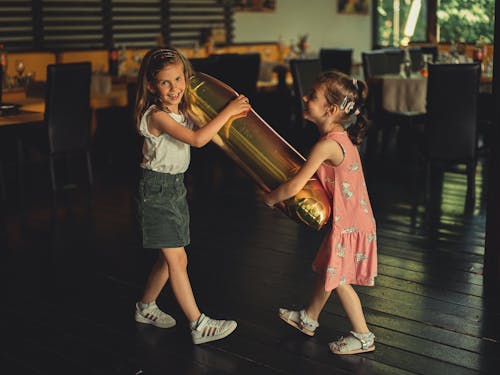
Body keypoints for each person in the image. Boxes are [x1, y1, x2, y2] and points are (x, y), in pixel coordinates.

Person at [133, 47, 251, 344]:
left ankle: (145, 307)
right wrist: (229, 111)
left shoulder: (179, 111)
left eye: (178, 79)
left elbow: (204, 129)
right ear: (150, 85)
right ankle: (198, 324)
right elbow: (199, 140)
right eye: (165, 83)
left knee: (167, 257)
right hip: (156, 191)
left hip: (174, 189)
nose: (174, 88)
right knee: (178, 260)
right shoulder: (157, 115)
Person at [264, 70, 377, 355]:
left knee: (338, 280)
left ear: (331, 109)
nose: (304, 97)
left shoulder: (327, 145)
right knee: (329, 270)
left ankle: (364, 335)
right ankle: (309, 318)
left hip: (349, 223)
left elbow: (295, 186)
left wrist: (270, 199)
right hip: (353, 219)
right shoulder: (339, 138)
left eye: (311, 95)